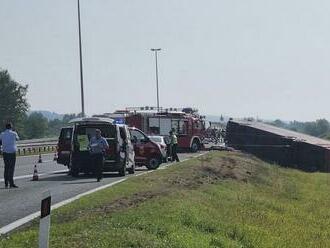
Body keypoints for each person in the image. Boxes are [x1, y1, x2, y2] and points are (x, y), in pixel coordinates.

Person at [0, 123, 19, 188]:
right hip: (12, 152)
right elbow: (17, 139)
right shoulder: (14, 133)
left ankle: (6, 183)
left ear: (5, 127)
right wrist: (15, 131)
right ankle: (11, 183)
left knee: (6, 167)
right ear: (11, 127)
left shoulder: (2, 134)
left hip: (5, 152)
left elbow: (0, 141)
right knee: (11, 168)